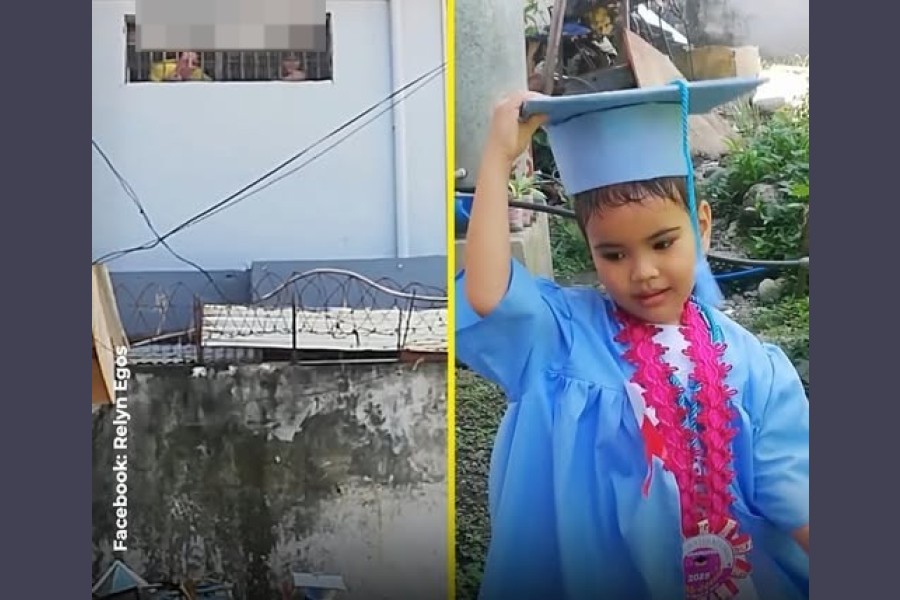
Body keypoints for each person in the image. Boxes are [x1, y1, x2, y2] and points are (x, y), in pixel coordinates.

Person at [455, 77, 809, 600]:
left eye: (663, 243)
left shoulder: (755, 366)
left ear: (702, 226)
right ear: (590, 250)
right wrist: (496, 158)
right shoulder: (562, 339)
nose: (642, 272)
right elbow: (487, 293)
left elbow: (793, 494)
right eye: (614, 254)